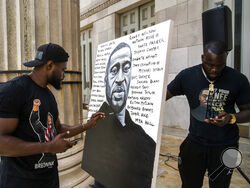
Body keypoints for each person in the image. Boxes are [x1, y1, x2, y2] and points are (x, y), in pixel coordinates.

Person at [0, 43, 105, 188]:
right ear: (49, 65)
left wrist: (87, 126)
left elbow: (59, 128)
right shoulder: (15, 90)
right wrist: (48, 147)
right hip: (20, 181)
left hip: (49, 179)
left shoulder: (48, 95)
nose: (64, 75)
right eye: (62, 70)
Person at [166, 40, 250, 188]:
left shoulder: (238, 79)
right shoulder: (187, 76)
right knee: (189, 184)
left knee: (221, 185)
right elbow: (161, 96)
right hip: (194, 144)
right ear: (202, 58)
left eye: (220, 65)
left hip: (226, 145)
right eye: (210, 65)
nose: (214, 70)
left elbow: (248, 112)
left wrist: (231, 118)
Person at [82, 42, 156, 188]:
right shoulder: (95, 126)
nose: (120, 78)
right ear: (105, 80)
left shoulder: (145, 140)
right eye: (114, 70)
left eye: (126, 68)